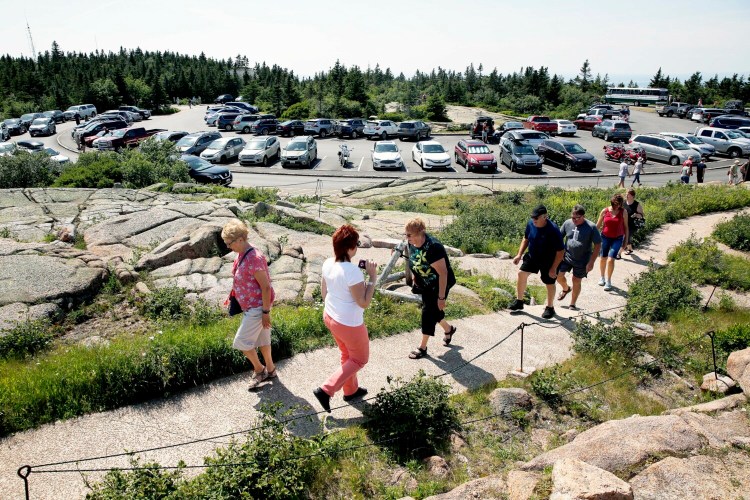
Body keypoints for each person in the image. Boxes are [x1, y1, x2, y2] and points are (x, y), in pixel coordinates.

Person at [312, 224, 376, 413]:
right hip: (349, 324)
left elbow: (324, 293)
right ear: (350, 248)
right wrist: (372, 277)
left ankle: (351, 391)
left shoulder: (327, 263)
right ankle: (326, 390)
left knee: (347, 355)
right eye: (356, 243)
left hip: (331, 317)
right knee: (359, 359)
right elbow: (363, 302)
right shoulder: (352, 271)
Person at [222, 219, 276, 391]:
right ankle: (271, 369)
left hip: (258, 308)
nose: (228, 247)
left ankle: (259, 370)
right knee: (263, 339)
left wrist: (265, 312)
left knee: (241, 342)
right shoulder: (243, 253)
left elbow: (266, 287)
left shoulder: (254, 257)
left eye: (229, 243)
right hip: (254, 306)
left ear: (240, 239)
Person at [404, 218, 457, 359]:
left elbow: (443, 274)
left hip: (440, 283)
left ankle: (422, 347)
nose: (407, 238)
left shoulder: (433, 247)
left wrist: (441, 297)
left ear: (420, 233)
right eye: (406, 234)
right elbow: (415, 260)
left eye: (409, 235)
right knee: (434, 310)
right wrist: (416, 277)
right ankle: (448, 329)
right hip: (426, 283)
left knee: (428, 311)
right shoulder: (413, 243)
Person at [509, 205, 565, 319]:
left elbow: (561, 252)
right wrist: (519, 254)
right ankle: (519, 301)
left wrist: (553, 268)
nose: (534, 219)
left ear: (545, 217)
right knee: (521, 274)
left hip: (548, 260)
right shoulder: (531, 223)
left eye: (536, 218)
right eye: (533, 217)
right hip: (533, 255)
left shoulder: (553, 230)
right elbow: (526, 239)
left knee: (549, 283)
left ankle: (550, 307)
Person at [556, 205, 602, 310]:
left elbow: (598, 244)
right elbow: (559, 238)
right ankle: (566, 288)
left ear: (583, 216)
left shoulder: (591, 227)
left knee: (576, 280)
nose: (575, 220)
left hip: (582, 259)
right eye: (573, 218)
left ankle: (572, 303)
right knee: (558, 276)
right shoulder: (567, 223)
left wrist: (592, 262)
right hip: (567, 256)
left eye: (578, 218)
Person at [596, 194, 629, 291]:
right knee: (603, 258)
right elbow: (597, 226)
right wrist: (592, 237)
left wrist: (625, 242)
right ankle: (602, 277)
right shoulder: (605, 211)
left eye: (619, 204)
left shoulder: (624, 212)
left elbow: (626, 227)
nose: (617, 206)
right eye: (616, 204)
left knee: (611, 260)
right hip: (605, 237)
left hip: (617, 238)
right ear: (612, 202)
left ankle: (608, 280)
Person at [621, 189, 645, 256]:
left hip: (633, 225)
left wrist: (637, 215)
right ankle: (630, 249)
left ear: (632, 196)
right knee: (626, 237)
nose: (626, 195)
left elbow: (642, 215)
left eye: (628, 194)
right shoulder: (624, 203)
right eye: (626, 194)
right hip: (624, 224)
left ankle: (620, 252)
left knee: (626, 237)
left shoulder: (636, 204)